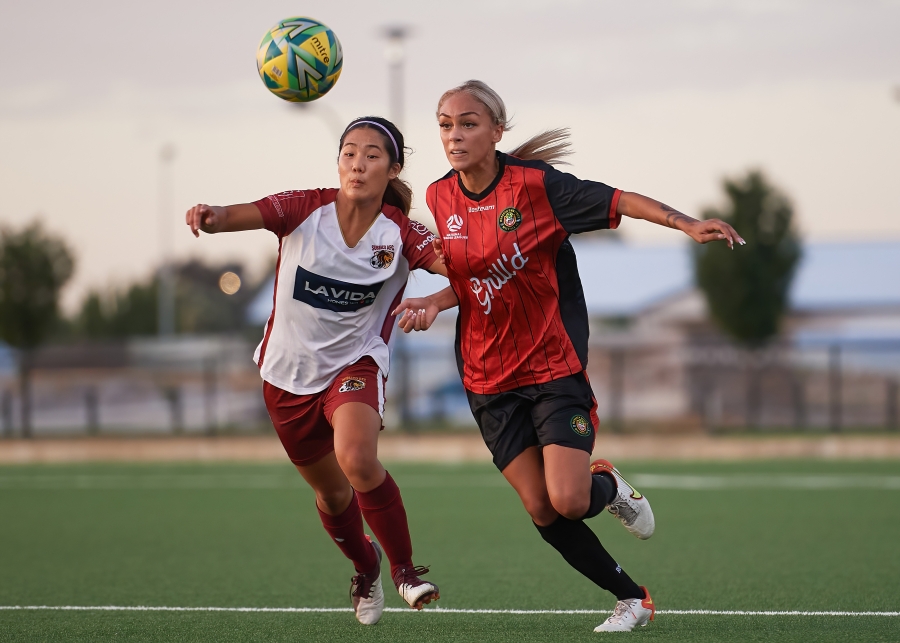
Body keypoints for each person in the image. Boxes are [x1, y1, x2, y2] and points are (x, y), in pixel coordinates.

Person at [393, 80, 744, 633]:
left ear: (496, 131)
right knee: (541, 508)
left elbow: (619, 200)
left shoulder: (538, 186)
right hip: (487, 378)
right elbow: (471, 275)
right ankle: (633, 599)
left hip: (551, 367)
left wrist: (686, 224)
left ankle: (610, 488)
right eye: (444, 124)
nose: (454, 135)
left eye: (468, 123)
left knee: (571, 500)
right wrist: (436, 302)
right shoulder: (440, 197)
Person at [185, 116, 445, 626]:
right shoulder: (304, 207)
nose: (358, 164)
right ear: (339, 162)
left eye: (372, 155)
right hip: (286, 376)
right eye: (349, 153)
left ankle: (405, 571)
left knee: (357, 459)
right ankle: (366, 565)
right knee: (331, 493)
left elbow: (462, 268)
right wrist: (210, 217)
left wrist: (437, 299)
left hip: (355, 363)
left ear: (392, 169)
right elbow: (236, 214)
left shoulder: (401, 233)